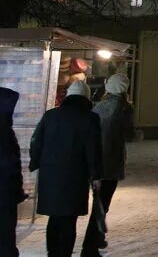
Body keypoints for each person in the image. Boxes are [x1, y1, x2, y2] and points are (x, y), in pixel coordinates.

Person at [29, 80, 102, 257]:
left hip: (50, 175)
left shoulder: (50, 115)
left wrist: (35, 162)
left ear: (68, 96)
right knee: (69, 220)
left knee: (54, 219)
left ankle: (52, 253)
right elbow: (93, 149)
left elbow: (35, 142)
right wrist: (96, 175)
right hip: (75, 176)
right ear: (86, 97)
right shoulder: (90, 118)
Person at [82, 74, 142, 257]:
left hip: (93, 161)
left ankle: (97, 238)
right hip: (111, 162)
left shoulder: (98, 105)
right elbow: (129, 134)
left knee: (98, 203)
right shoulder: (124, 108)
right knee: (101, 206)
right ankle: (90, 248)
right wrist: (139, 134)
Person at [0, 88, 28, 257]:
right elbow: (12, 165)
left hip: (6, 193)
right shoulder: (5, 133)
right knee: (5, 239)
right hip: (5, 195)